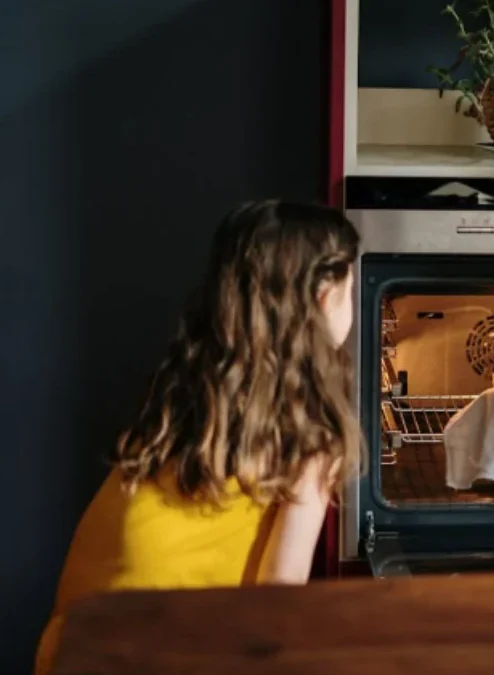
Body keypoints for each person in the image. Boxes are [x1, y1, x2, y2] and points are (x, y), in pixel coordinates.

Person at [34, 201, 361, 674]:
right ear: (326, 295)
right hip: (177, 649)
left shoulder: (190, 381)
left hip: (83, 637)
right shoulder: (312, 431)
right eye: (352, 286)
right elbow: (280, 593)